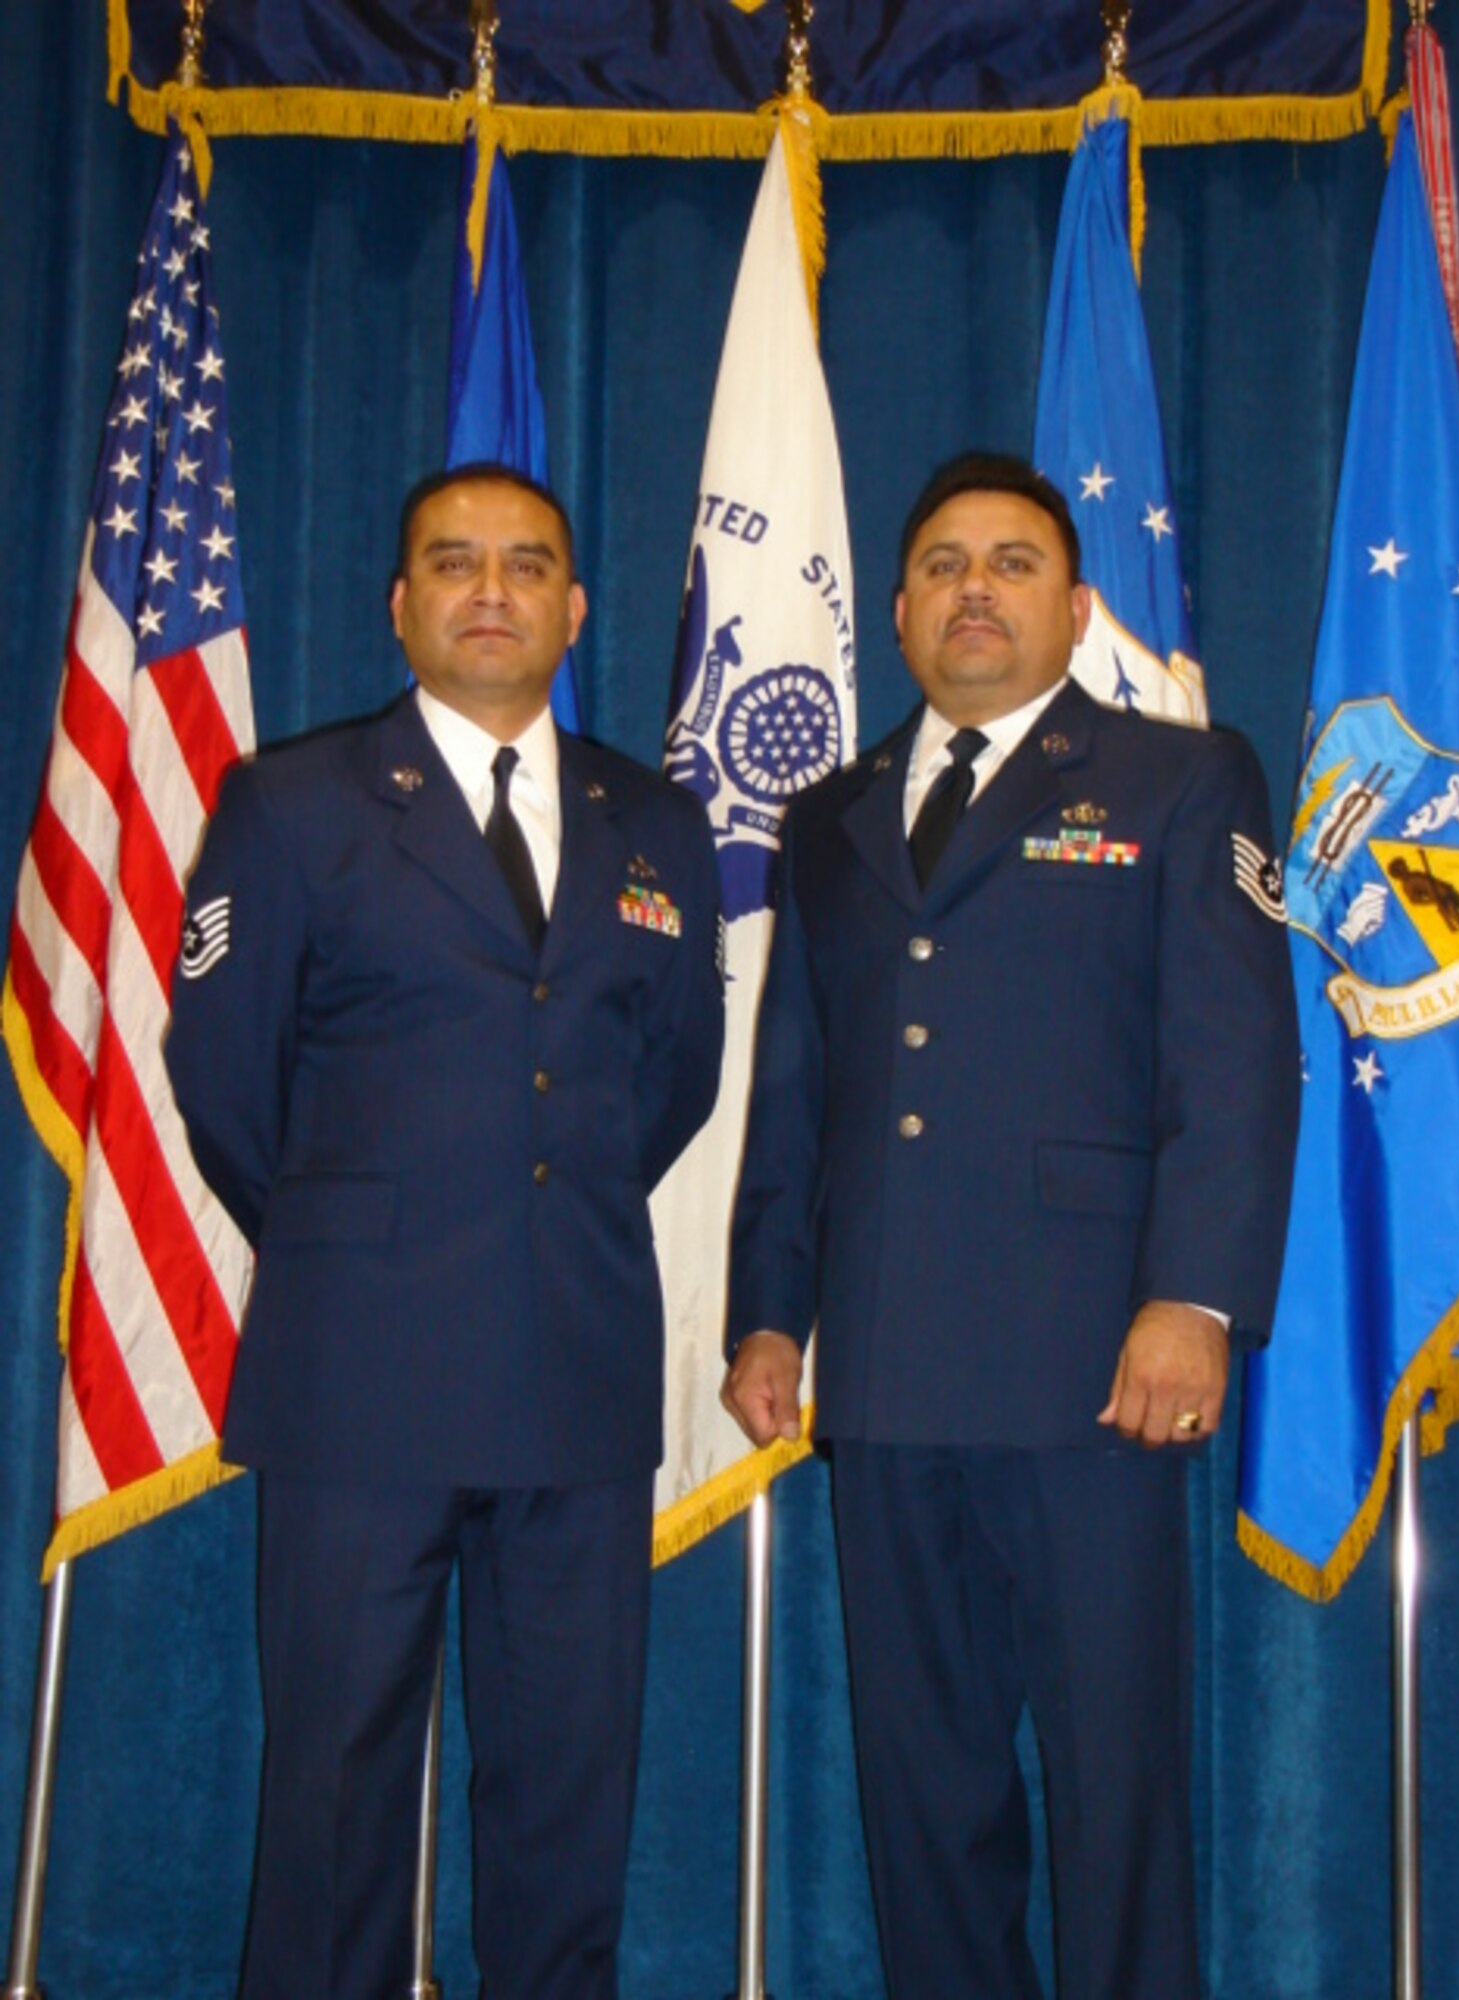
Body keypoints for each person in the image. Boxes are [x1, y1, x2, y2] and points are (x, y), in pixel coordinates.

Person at [722, 452, 1299, 1999]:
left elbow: (1236, 1064)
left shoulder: (1182, 780)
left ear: (1076, 600)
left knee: (1115, 1796)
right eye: (947, 566)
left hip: (1092, 1372)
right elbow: (797, 1081)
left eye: (1015, 562)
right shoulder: (830, 815)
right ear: (899, 615)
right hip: (893, 1375)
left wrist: (1194, 1298)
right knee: (927, 1800)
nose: (977, 588)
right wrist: (769, 1309)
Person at [167, 463, 724, 2000]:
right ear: (400, 603)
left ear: (576, 607)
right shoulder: (292, 804)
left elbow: (673, 1082)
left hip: (579, 1373)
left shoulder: (655, 819)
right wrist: (362, 1240)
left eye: (528, 564)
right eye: (456, 563)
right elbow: (222, 1077)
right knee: (338, 1799)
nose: (493, 589)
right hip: (362, 1375)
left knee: (567, 1799)